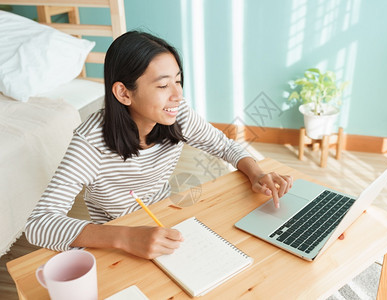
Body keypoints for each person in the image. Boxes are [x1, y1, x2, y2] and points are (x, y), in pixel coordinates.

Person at [25, 31, 293, 260]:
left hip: (166, 216)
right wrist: (126, 237)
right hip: (116, 239)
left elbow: (223, 145)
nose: (178, 95)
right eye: (164, 85)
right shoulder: (89, 144)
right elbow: (39, 224)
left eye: (178, 80)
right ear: (124, 93)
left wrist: (256, 173)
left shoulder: (177, 114)